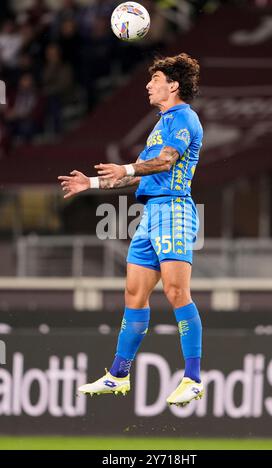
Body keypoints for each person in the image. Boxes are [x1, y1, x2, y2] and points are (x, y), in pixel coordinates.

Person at [58, 53, 204, 407]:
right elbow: (142, 173)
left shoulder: (183, 118)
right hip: (151, 212)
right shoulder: (160, 123)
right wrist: (91, 182)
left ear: (173, 85)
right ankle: (118, 376)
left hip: (174, 210)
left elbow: (166, 161)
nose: (148, 85)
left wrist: (124, 168)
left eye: (154, 79)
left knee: (174, 291)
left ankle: (193, 378)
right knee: (134, 296)